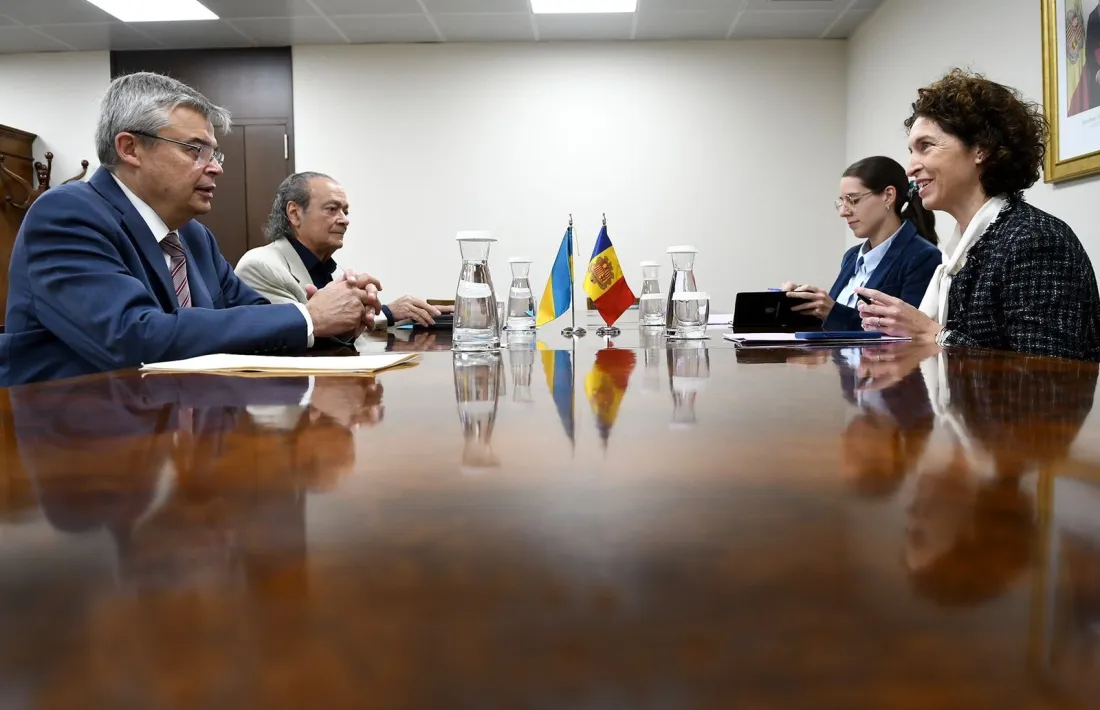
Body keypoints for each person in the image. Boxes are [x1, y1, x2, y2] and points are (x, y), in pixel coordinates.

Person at [0, 72, 380, 386]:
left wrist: (332, 321)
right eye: (195, 150)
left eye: (214, 153)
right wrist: (309, 317)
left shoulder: (194, 237)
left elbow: (256, 319)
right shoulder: (66, 214)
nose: (216, 167)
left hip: (183, 431)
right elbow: (132, 338)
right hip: (82, 441)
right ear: (130, 148)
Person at [858, 68, 1100, 361]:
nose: (910, 168)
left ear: (981, 149)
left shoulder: (1035, 239)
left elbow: (1046, 375)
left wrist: (933, 335)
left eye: (926, 147)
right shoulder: (960, 254)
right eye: (911, 151)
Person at [235, 172, 452, 332]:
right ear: (294, 213)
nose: (344, 220)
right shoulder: (260, 266)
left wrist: (390, 311)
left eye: (345, 211)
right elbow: (301, 330)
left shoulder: (335, 270)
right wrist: (380, 311)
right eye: (332, 209)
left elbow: (342, 320)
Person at [780, 156, 940, 331]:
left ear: (888, 196)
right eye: (841, 202)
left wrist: (833, 311)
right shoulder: (852, 256)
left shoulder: (923, 257)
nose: (843, 212)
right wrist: (805, 305)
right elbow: (835, 327)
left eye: (853, 200)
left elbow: (910, 333)